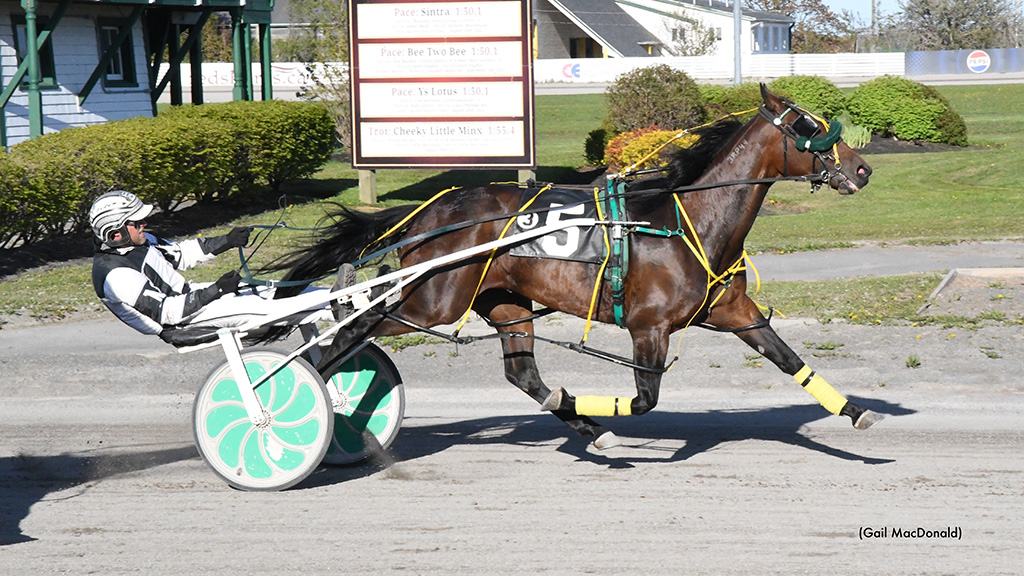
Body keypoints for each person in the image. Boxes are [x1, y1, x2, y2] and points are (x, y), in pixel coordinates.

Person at [89, 190, 331, 346]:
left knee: (271, 290)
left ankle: (335, 295)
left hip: (193, 298)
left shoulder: (139, 242)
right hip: (182, 323)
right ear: (115, 232)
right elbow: (167, 313)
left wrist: (227, 240)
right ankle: (337, 306)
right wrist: (217, 290)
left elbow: (181, 254)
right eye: (137, 222)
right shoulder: (115, 275)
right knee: (265, 307)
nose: (145, 223)